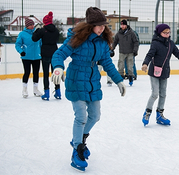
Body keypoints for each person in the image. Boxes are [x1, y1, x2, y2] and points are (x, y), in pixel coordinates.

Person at [50, 7, 126, 172]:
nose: (102, 28)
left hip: (92, 82)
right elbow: (59, 54)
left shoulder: (102, 41)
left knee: (95, 116)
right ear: (90, 25)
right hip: (76, 80)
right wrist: (57, 68)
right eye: (98, 25)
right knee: (81, 117)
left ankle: (80, 139)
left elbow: (107, 63)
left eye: (103, 25)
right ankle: (77, 150)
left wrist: (119, 80)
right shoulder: (77, 38)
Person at [141, 24, 179, 126]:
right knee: (155, 94)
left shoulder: (171, 44)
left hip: (164, 72)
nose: (167, 35)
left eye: (168, 32)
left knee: (163, 94)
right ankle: (147, 113)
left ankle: (159, 116)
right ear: (159, 33)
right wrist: (145, 64)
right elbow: (150, 54)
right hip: (154, 72)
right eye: (164, 33)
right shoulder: (155, 43)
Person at [32, 11, 60, 101]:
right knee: (55, 73)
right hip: (54, 53)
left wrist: (37, 30)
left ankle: (47, 93)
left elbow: (34, 38)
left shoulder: (43, 30)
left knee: (45, 74)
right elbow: (57, 38)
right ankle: (58, 92)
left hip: (45, 54)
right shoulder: (56, 30)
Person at [15, 18, 42, 98]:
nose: (32, 26)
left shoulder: (37, 33)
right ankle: (24, 89)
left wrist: (41, 52)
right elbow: (17, 44)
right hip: (26, 56)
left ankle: (35, 89)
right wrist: (21, 51)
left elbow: (41, 44)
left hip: (37, 56)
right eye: (30, 25)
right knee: (27, 72)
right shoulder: (22, 34)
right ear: (27, 26)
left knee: (36, 73)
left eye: (33, 24)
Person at [112, 19, 139, 86]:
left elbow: (136, 42)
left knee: (130, 66)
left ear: (126, 25)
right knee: (120, 65)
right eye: (121, 25)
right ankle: (120, 79)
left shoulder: (131, 33)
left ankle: (130, 78)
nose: (122, 26)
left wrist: (135, 50)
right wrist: (112, 49)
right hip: (122, 52)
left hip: (130, 52)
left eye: (124, 25)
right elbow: (115, 42)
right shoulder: (119, 33)